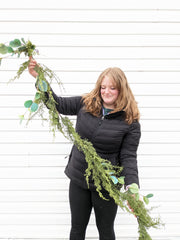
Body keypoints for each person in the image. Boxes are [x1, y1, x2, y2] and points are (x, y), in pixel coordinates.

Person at [28, 58, 141, 240]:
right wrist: (39, 77)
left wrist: (132, 189)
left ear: (122, 89)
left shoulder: (130, 122)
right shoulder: (86, 103)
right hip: (79, 178)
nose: (107, 92)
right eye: (103, 87)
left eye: (112, 87)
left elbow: (128, 157)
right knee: (77, 229)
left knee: (105, 231)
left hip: (106, 185)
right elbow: (57, 104)